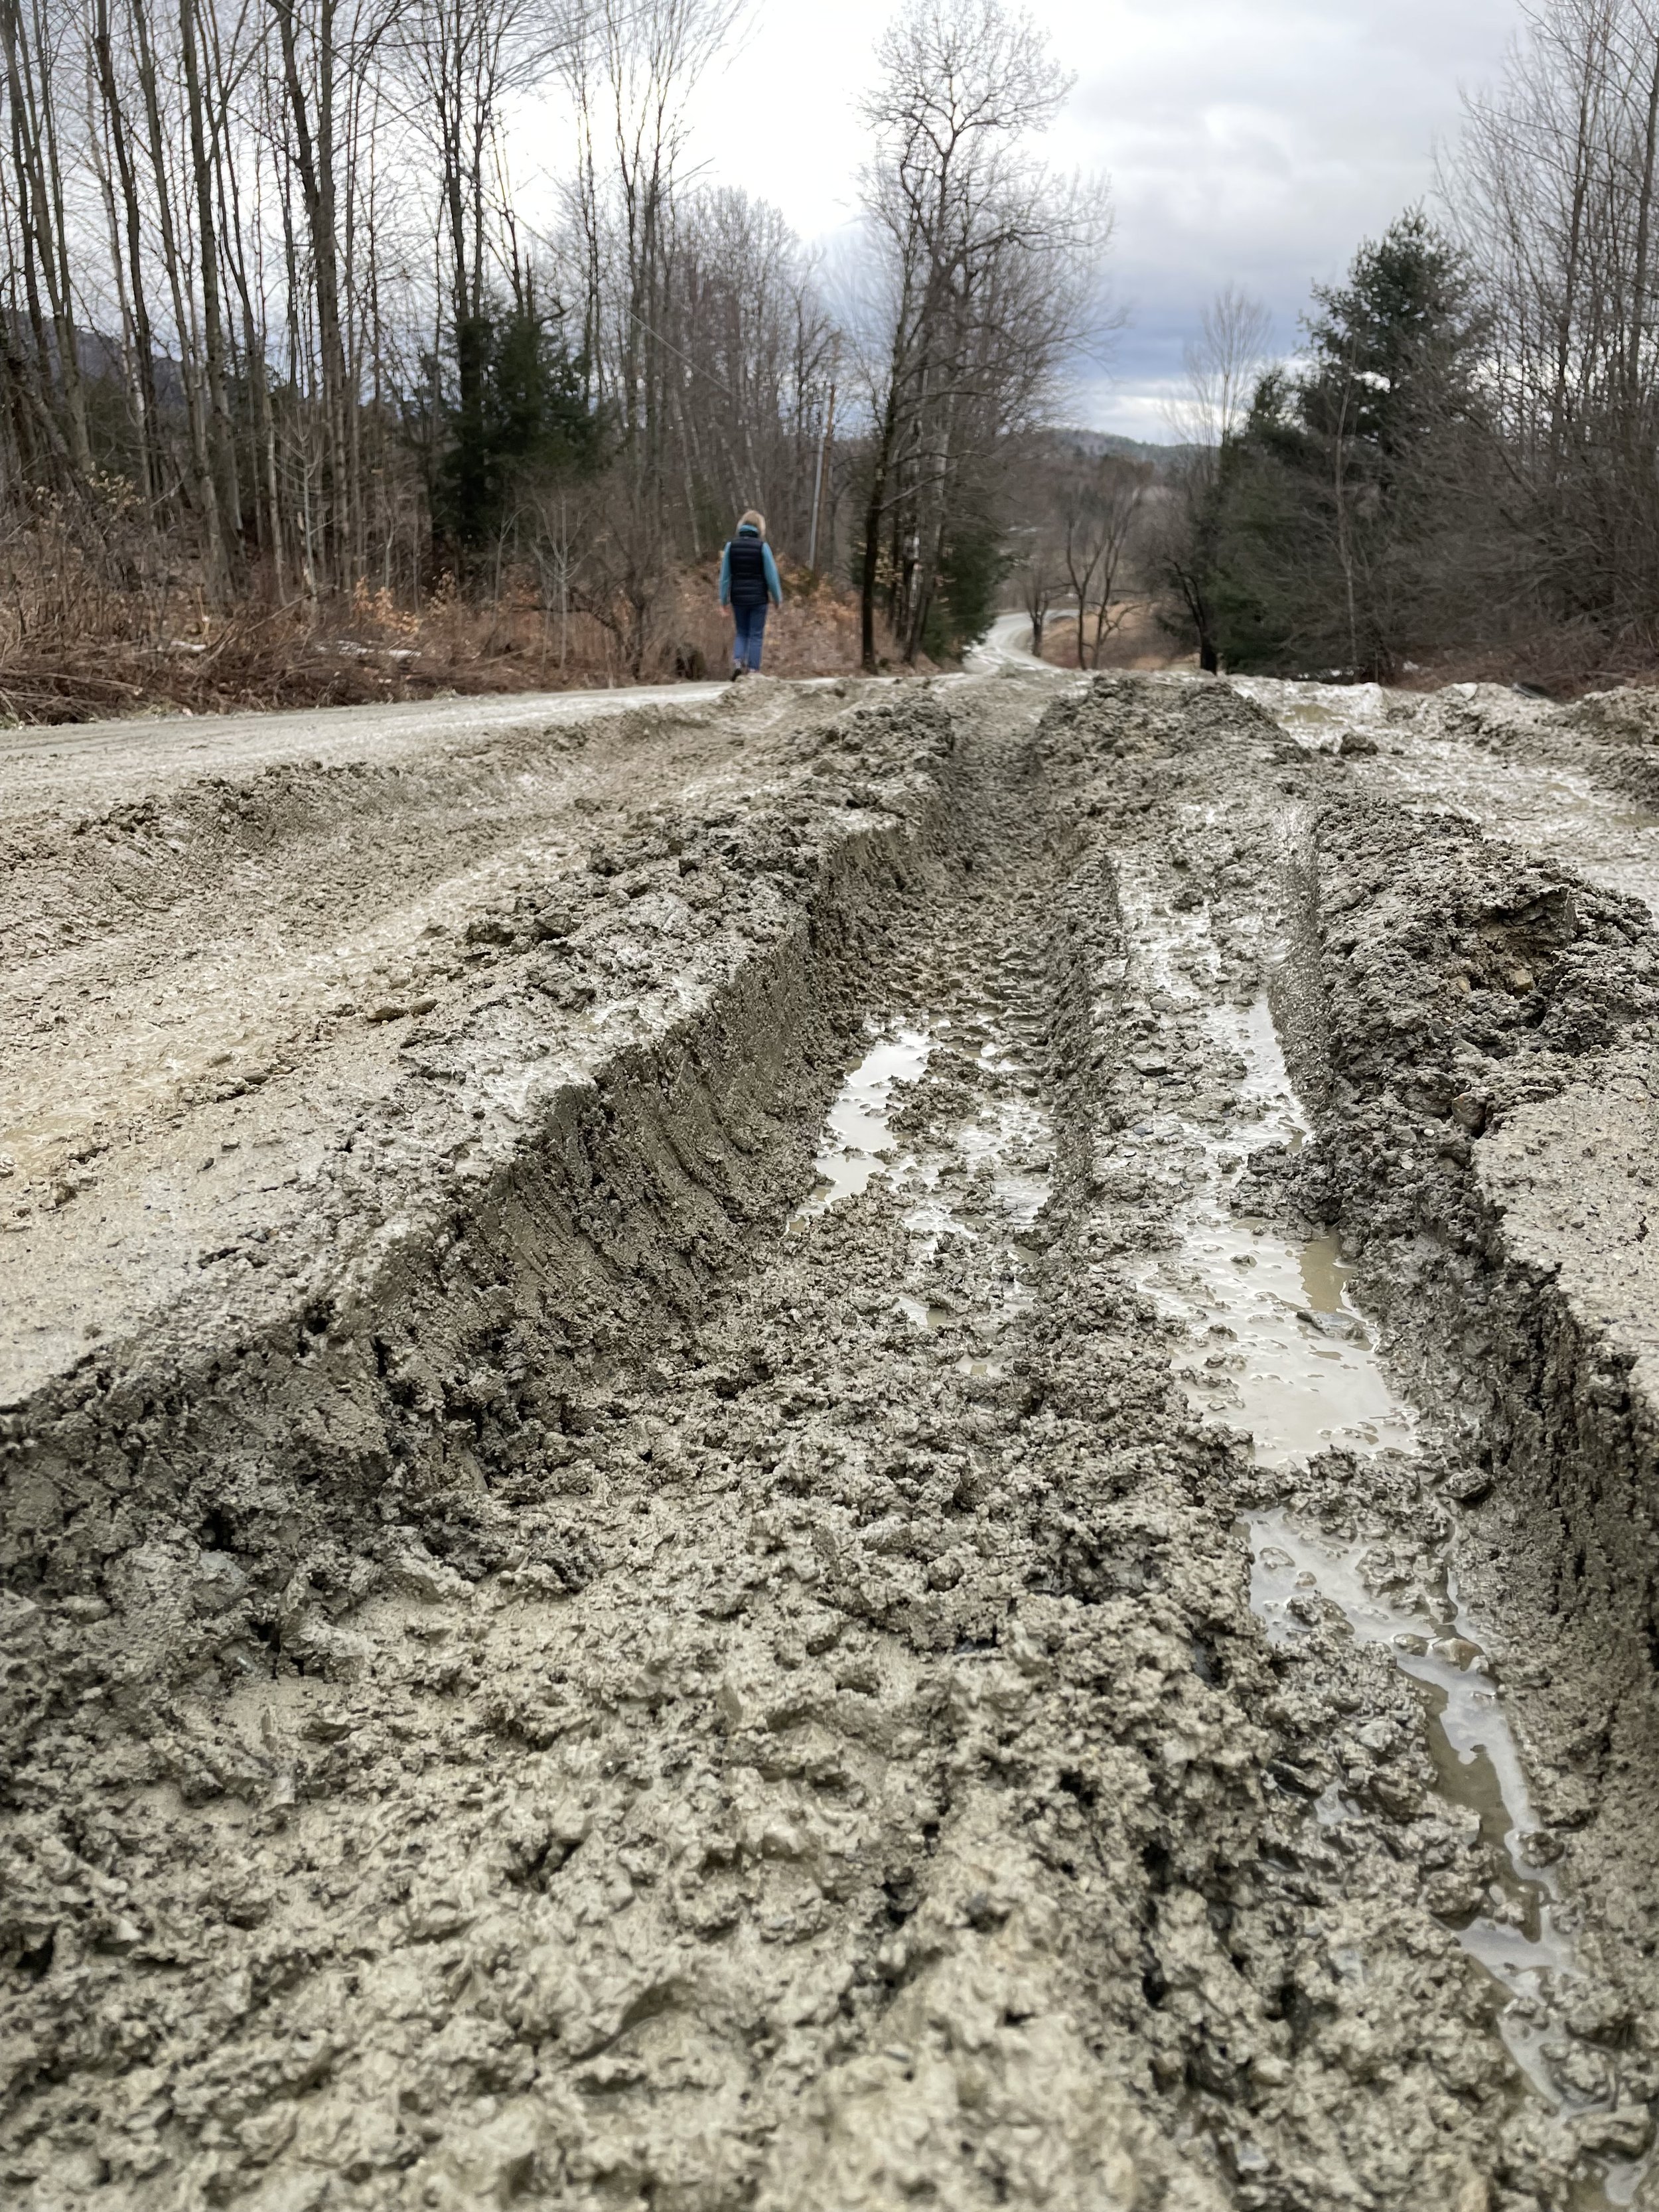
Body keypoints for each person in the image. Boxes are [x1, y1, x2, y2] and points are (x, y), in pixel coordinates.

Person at [718, 509, 782, 678]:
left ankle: (738, 664)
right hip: (759, 599)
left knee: (742, 633)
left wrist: (723, 601)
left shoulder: (731, 547)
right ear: (759, 528)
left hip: (738, 598)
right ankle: (754, 670)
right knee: (756, 634)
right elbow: (772, 576)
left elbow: (725, 577)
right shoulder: (763, 547)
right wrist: (777, 598)